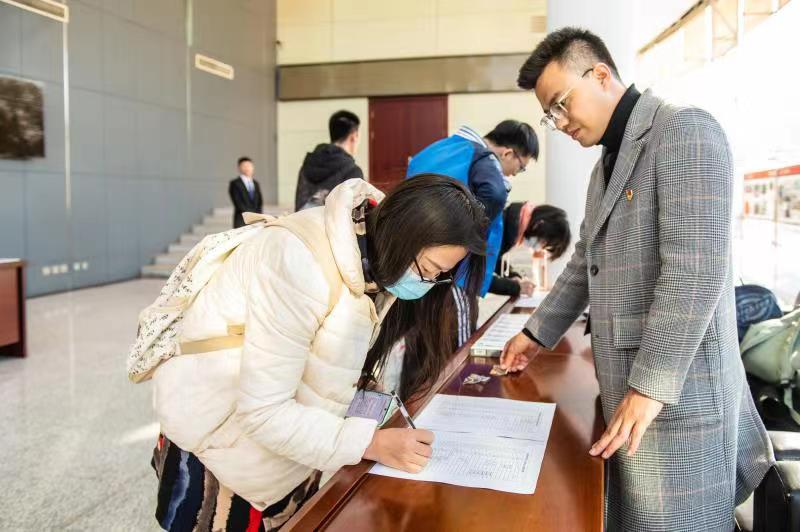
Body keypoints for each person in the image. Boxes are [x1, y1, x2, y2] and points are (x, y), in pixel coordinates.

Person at [500, 27, 773, 531]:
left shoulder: (684, 130)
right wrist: (535, 333)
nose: (559, 122)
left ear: (601, 75)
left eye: (561, 104)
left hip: (677, 398)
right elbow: (585, 262)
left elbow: (695, 271)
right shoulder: (606, 164)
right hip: (628, 390)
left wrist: (648, 388)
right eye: (550, 114)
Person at [150, 175, 487, 531]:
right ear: (403, 235)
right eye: (429, 270)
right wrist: (370, 443)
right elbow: (263, 412)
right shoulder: (299, 262)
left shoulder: (369, 256)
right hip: (221, 447)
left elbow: (323, 356)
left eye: (439, 275)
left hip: (287, 444)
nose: (427, 283)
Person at [407, 119, 538, 345]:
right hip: (454, 274)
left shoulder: (437, 149)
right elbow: (495, 194)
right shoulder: (484, 159)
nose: (515, 174)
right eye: (521, 167)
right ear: (508, 153)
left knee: (422, 341)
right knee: (460, 344)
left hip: (417, 265)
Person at [489, 203, 570, 297]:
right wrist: (516, 288)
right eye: (543, 242)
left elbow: (491, 258)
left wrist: (514, 276)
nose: (539, 248)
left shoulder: (509, 224)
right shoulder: (499, 229)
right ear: (539, 224)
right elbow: (478, 277)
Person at [295, 110, 364, 211]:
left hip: (302, 220)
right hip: (332, 221)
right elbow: (356, 214)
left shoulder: (308, 165)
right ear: (353, 137)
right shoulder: (353, 172)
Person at [228, 156, 263, 228]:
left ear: (253, 167)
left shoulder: (256, 183)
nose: (247, 168)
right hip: (241, 220)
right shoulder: (235, 183)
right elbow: (238, 203)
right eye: (244, 166)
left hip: (256, 220)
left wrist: (258, 216)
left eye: (249, 166)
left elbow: (259, 202)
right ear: (239, 168)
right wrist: (251, 215)